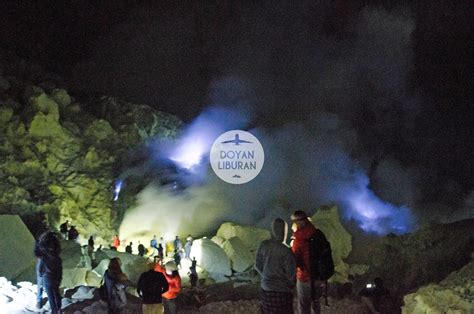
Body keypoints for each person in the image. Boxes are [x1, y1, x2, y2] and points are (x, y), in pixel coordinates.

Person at [255, 218, 296, 314]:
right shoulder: (286, 251)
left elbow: (257, 265)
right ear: (283, 231)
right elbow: (291, 275)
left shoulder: (263, 245)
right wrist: (289, 285)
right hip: (282, 291)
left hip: (266, 289)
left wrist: (265, 276)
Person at [291, 210, 323, 314]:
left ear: (299, 222)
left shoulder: (298, 240)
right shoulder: (317, 233)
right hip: (318, 276)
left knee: (304, 306)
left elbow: (295, 259)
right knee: (316, 303)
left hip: (304, 277)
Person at [34, 231, 63, 313]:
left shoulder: (43, 240)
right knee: (55, 291)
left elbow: (37, 250)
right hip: (51, 263)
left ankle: (41, 302)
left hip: (46, 264)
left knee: (44, 285)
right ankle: (58, 308)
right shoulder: (52, 241)